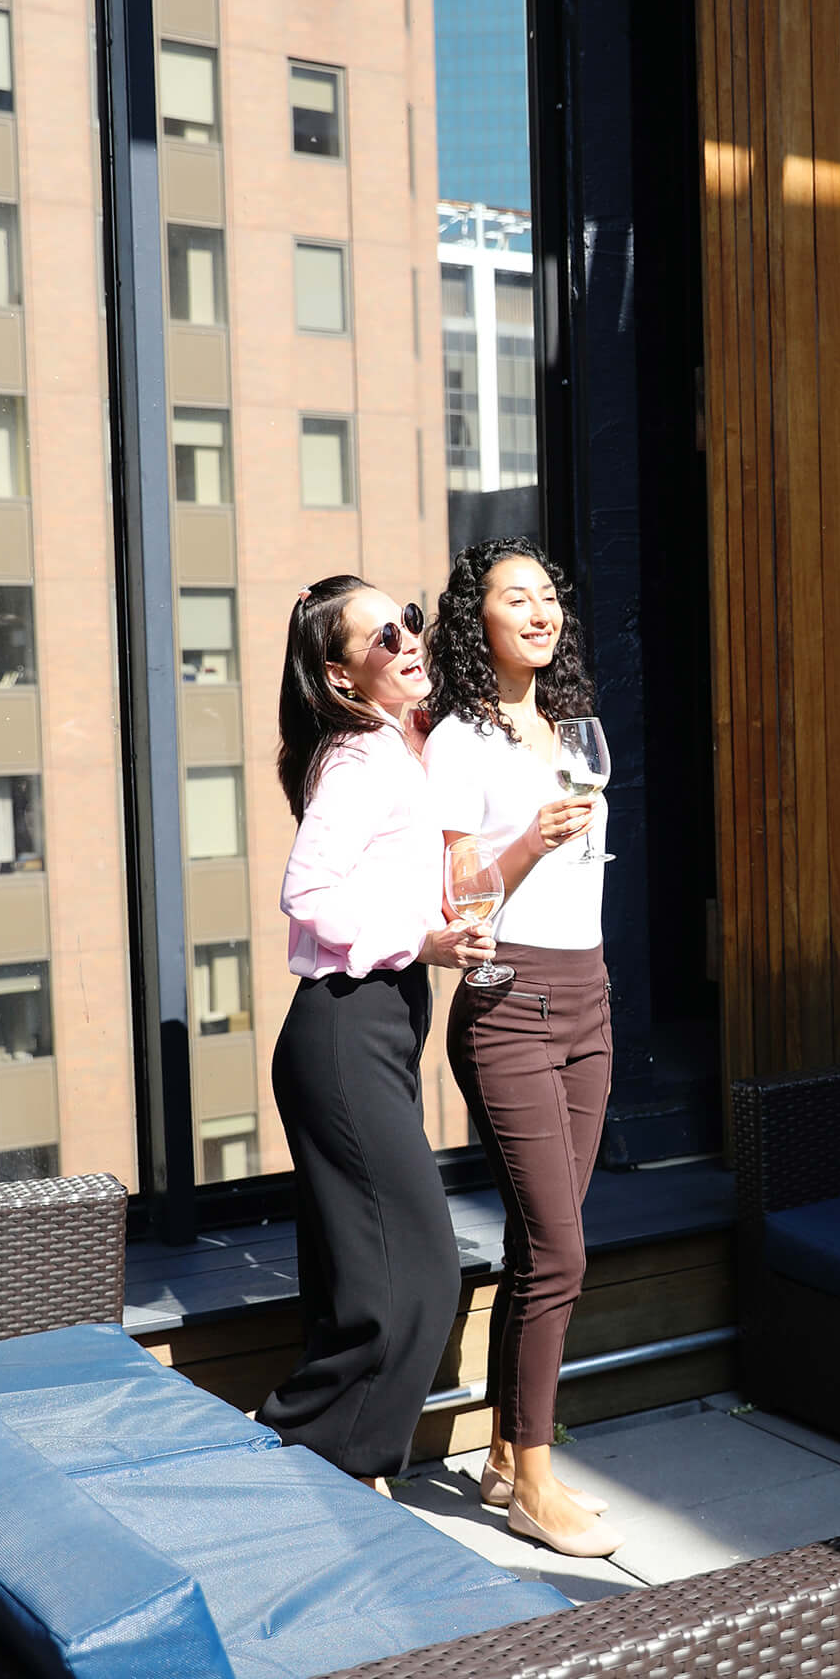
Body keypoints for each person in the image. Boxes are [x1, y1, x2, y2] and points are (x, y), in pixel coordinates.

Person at [262, 574, 489, 1491]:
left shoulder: (393, 748)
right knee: (419, 1276)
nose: (409, 641)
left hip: (373, 1029)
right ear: (342, 673)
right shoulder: (361, 758)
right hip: (346, 1028)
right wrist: (422, 939)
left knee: (357, 1289)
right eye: (384, 636)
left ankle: (329, 1480)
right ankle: (304, 1456)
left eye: (411, 622)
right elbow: (305, 895)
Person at [423, 539, 617, 1560]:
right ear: (477, 619)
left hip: (590, 995)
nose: (540, 612)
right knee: (562, 1251)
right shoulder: (460, 738)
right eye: (516, 598)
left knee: (545, 1249)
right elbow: (460, 896)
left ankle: (503, 1452)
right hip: (512, 1004)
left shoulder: (565, 728)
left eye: (549, 596)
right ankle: (535, 1486)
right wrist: (529, 840)